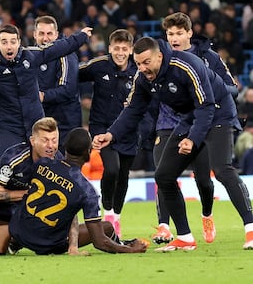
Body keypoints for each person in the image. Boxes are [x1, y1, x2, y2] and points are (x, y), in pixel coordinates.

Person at [93, 36, 253, 251]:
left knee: (222, 169)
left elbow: (205, 106)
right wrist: (111, 134)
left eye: (146, 62)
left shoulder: (187, 65)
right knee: (163, 176)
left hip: (217, 112)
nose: (142, 68)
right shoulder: (143, 78)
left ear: (159, 56)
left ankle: (251, 228)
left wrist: (192, 139)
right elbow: (132, 111)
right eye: (138, 63)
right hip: (189, 117)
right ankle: (185, 237)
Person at [151, 12, 239, 244]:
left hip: (201, 122)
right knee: (163, 175)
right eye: (170, 34)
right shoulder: (162, 58)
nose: (175, 38)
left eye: (179, 33)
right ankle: (164, 226)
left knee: (203, 180)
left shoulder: (208, 57)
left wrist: (210, 87)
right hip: (168, 124)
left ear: (189, 33)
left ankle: (207, 215)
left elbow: (232, 88)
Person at [0, 24, 92, 165]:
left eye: (13, 41)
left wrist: (81, 36)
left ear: (19, 42)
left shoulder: (30, 56)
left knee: (62, 172)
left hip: (36, 128)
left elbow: (59, 47)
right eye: (4, 42)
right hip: (7, 130)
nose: (9, 46)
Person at [9, 127, 148, 255]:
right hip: (47, 245)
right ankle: (124, 245)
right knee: (105, 227)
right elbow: (100, 242)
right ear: (88, 154)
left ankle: (13, 244)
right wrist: (130, 250)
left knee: (105, 227)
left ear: (65, 148)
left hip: (17, 231)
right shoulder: (87, 191)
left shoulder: (43, 163)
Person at [0, 117, 62, 256]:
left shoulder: (59, 164)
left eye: (54, 140)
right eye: (45, 140)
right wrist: (29, 193)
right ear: (33, 141)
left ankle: (8, 239)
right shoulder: (15, 158)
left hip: (10, 200)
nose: (51, 145)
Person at [78, 29, 139, 237]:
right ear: (110, 48)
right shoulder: (98, 65)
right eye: (116, 48)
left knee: (123, 176)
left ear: (130, 50)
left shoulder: (138, 70)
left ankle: (117, 217)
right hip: (102, 129)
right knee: (112, 169)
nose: (120, 52)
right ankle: (108, 211)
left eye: (124, 49)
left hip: (129, 131)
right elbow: (73, 74)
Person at [33, 15, 82, 152]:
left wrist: (43, 96)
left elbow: (67, 89)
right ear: (34, 35)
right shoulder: (30, 56)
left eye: (49, 34)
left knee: (66, 167)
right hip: (41, 120)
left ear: (57, 34)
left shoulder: (65, 54)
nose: (45, 38)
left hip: (65, 121)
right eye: (41, 34)